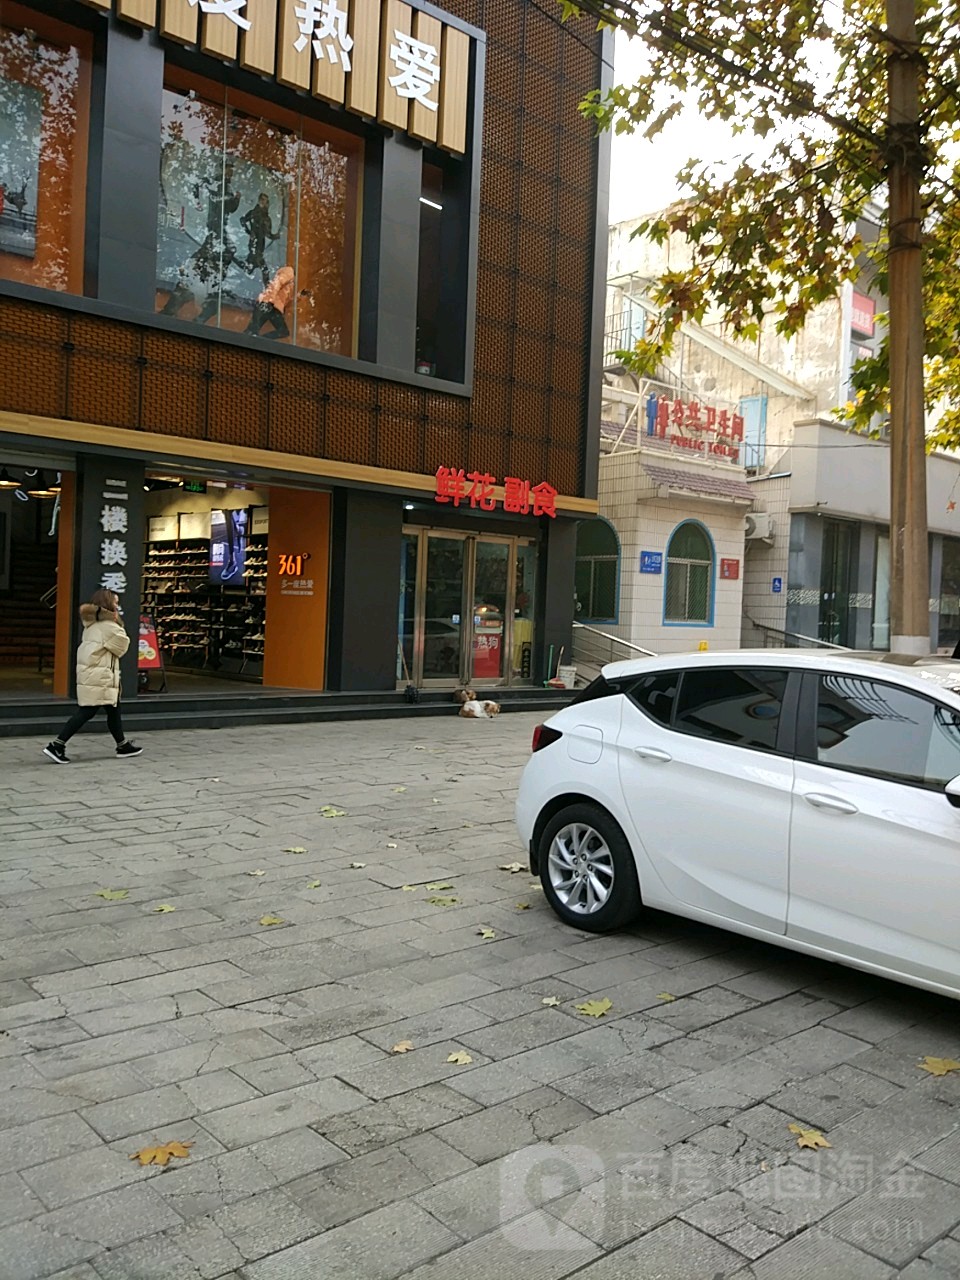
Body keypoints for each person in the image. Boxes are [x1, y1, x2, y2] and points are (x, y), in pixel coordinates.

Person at [43, 589, 143, 763]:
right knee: (87, 711)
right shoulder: (108, 626)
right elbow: (122, 645)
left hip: (95, 673)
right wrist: (118, 623)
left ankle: (122, 745)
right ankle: (57, 745)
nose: (118, 606)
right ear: (108, 604)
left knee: (113, 710)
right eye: (115, 603)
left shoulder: (92, 624)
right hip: (101, 676)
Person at [245, 265, 295, 340]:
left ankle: (259, 341)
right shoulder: (289, 272)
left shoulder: (291, 282)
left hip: (270, 304)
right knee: (282, 331)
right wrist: (270, 300)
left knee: (252, 330)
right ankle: (259, 341)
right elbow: (277, 283)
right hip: (270, 304)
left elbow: (286, 302)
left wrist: (300, 296)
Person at [241, 193, 280, 286]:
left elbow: (242, 220)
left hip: (256, 245)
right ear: (259, 201)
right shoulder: (260, 216)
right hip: (256, 247)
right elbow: (268, 234)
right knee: (263, 269)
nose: (264, 202)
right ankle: (267, 289)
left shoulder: (260, 215)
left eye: (265, 201)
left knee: (250, 267)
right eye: (262, 200)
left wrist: (249, 232)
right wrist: (277, 236)